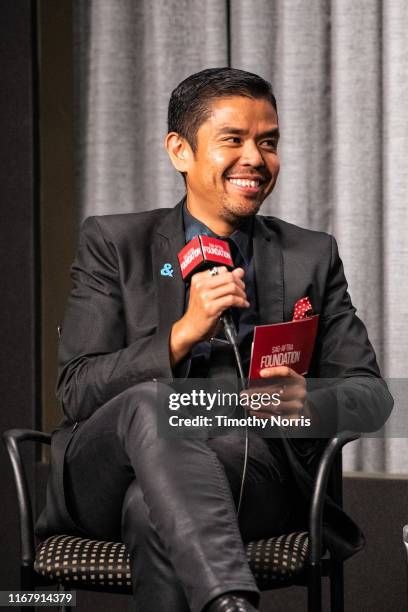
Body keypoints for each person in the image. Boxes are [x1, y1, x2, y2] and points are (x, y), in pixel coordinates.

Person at [35, 68, 393, 612]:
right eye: (233, 139)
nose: (255, 157)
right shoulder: (116, 244)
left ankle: (228, 603)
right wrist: (180, 336)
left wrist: (308, 401)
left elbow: (371, 397)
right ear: (180, 150)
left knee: (149, 508)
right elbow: (78, 390)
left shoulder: (309, 256)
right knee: (157, 404)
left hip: (249, 470)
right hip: (106, 471)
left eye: (267, 142)